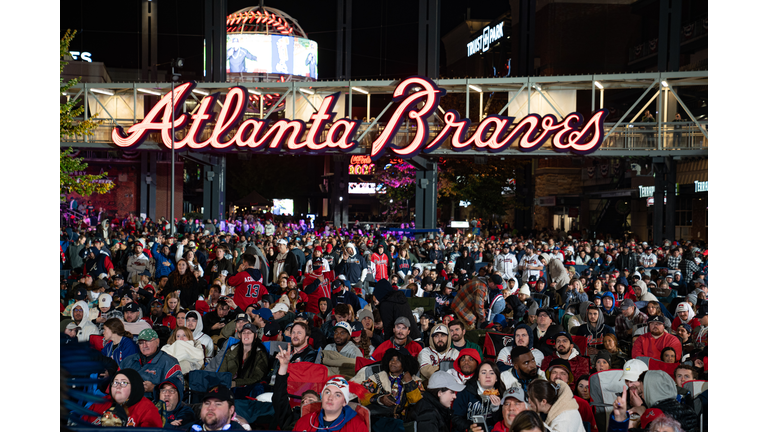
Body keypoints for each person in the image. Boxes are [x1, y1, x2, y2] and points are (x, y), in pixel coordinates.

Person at [82, 368, 163, 427]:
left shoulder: (147, 408)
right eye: (115, 382)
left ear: (134, 386)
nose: (118, 386)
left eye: (123, 383)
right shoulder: (101, 402)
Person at [120, 329, 185, 399]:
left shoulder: (170, 363)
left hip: (154, 404)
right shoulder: (128, 360)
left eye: (148, 341)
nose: (144, 346)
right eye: (141, 342)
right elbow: (116, 382)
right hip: (126, 401)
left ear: (157, 341)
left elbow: (178, 389)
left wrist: (154, 388)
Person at [359, 349, 423, 419]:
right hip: (380, 419)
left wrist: (409, 383)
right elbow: (361, 396)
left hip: (405, 422)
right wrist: (380, 399)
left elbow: (419, 404)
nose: (393, 362)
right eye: (391, 359)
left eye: (398, 360)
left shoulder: (415, 381)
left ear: (405, 363)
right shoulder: (378, 377)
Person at [451, 359, 505, 432]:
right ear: (478, 377)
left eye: (492, 373)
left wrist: (496, 410)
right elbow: (456, 418)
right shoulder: (465, 392)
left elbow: (503, 423)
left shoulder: (502, 393)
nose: (488, 376)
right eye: (483, 373)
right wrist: (470, 427)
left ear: (496, 378)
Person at [219, 323, 269, 391]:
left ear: (255, 335)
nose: (246, 335)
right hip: (227, 386)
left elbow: (257, 378)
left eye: (249, 332)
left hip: (247, 389)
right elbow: (222, 372)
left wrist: (236, 383)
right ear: (240, 335)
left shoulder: (260, 354)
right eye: (243, 333)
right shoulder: (232, 350)